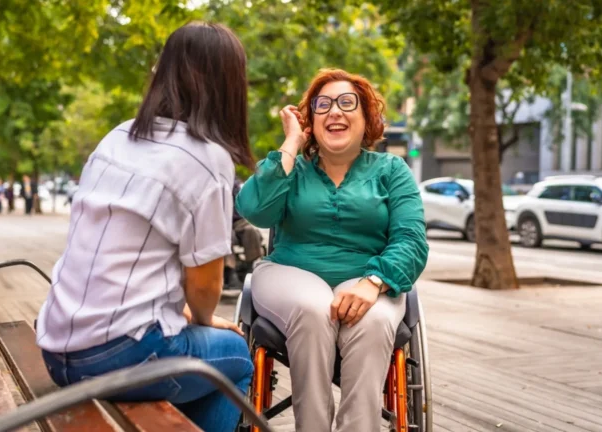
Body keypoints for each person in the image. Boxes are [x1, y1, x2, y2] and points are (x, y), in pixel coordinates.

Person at [35, 22, 255, 432]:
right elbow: (205, 288)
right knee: (237, 357)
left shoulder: (117, 137)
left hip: (56, 348)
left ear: (164, 73)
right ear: (229, 86)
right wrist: (202, 318)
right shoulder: (208, 159)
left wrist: (184, 315)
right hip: (120, 357)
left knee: (198, 347)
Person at [236, 68, 429, 432]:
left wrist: (374, 281)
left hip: (371, 278)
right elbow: (254, 210)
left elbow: (412, 241)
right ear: (310, 120)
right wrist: (291, 143)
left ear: (366, 117)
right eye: (322, 105)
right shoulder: (291, 167)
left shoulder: (392, 171)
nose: (334, 112)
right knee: (313, 308)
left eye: (346, 102)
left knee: (372, 321)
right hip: (287, 274)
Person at [224, 178, 264, 290]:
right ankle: (230, 271)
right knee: (226, 237)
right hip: (219, 221)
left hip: (236, 219)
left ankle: (248, 266)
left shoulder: (235, 184)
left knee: (250, 230)